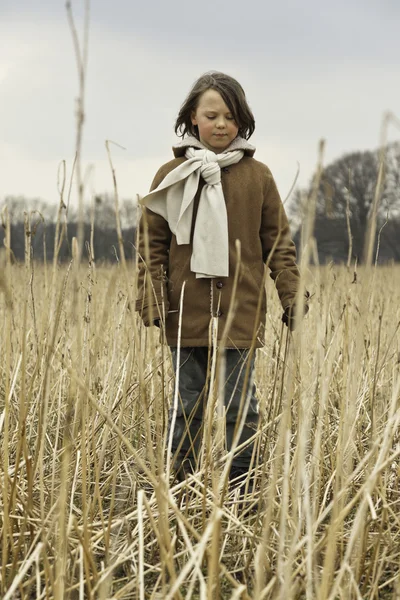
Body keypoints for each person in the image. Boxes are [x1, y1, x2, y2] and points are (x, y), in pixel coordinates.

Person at [135, 71, 308, 483]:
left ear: (241, 121)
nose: (221, 125)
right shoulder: (170, 174)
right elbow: (151, 245)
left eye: (230, 117)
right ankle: (181, 485)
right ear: (193, 117)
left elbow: (278, 243)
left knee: (240, 407)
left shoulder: (259, 176)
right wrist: (152, 298)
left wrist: (291, 295)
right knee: (187, 404)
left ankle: (241, 490)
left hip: (241, 308)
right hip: (186, 310)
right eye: (211, 115)